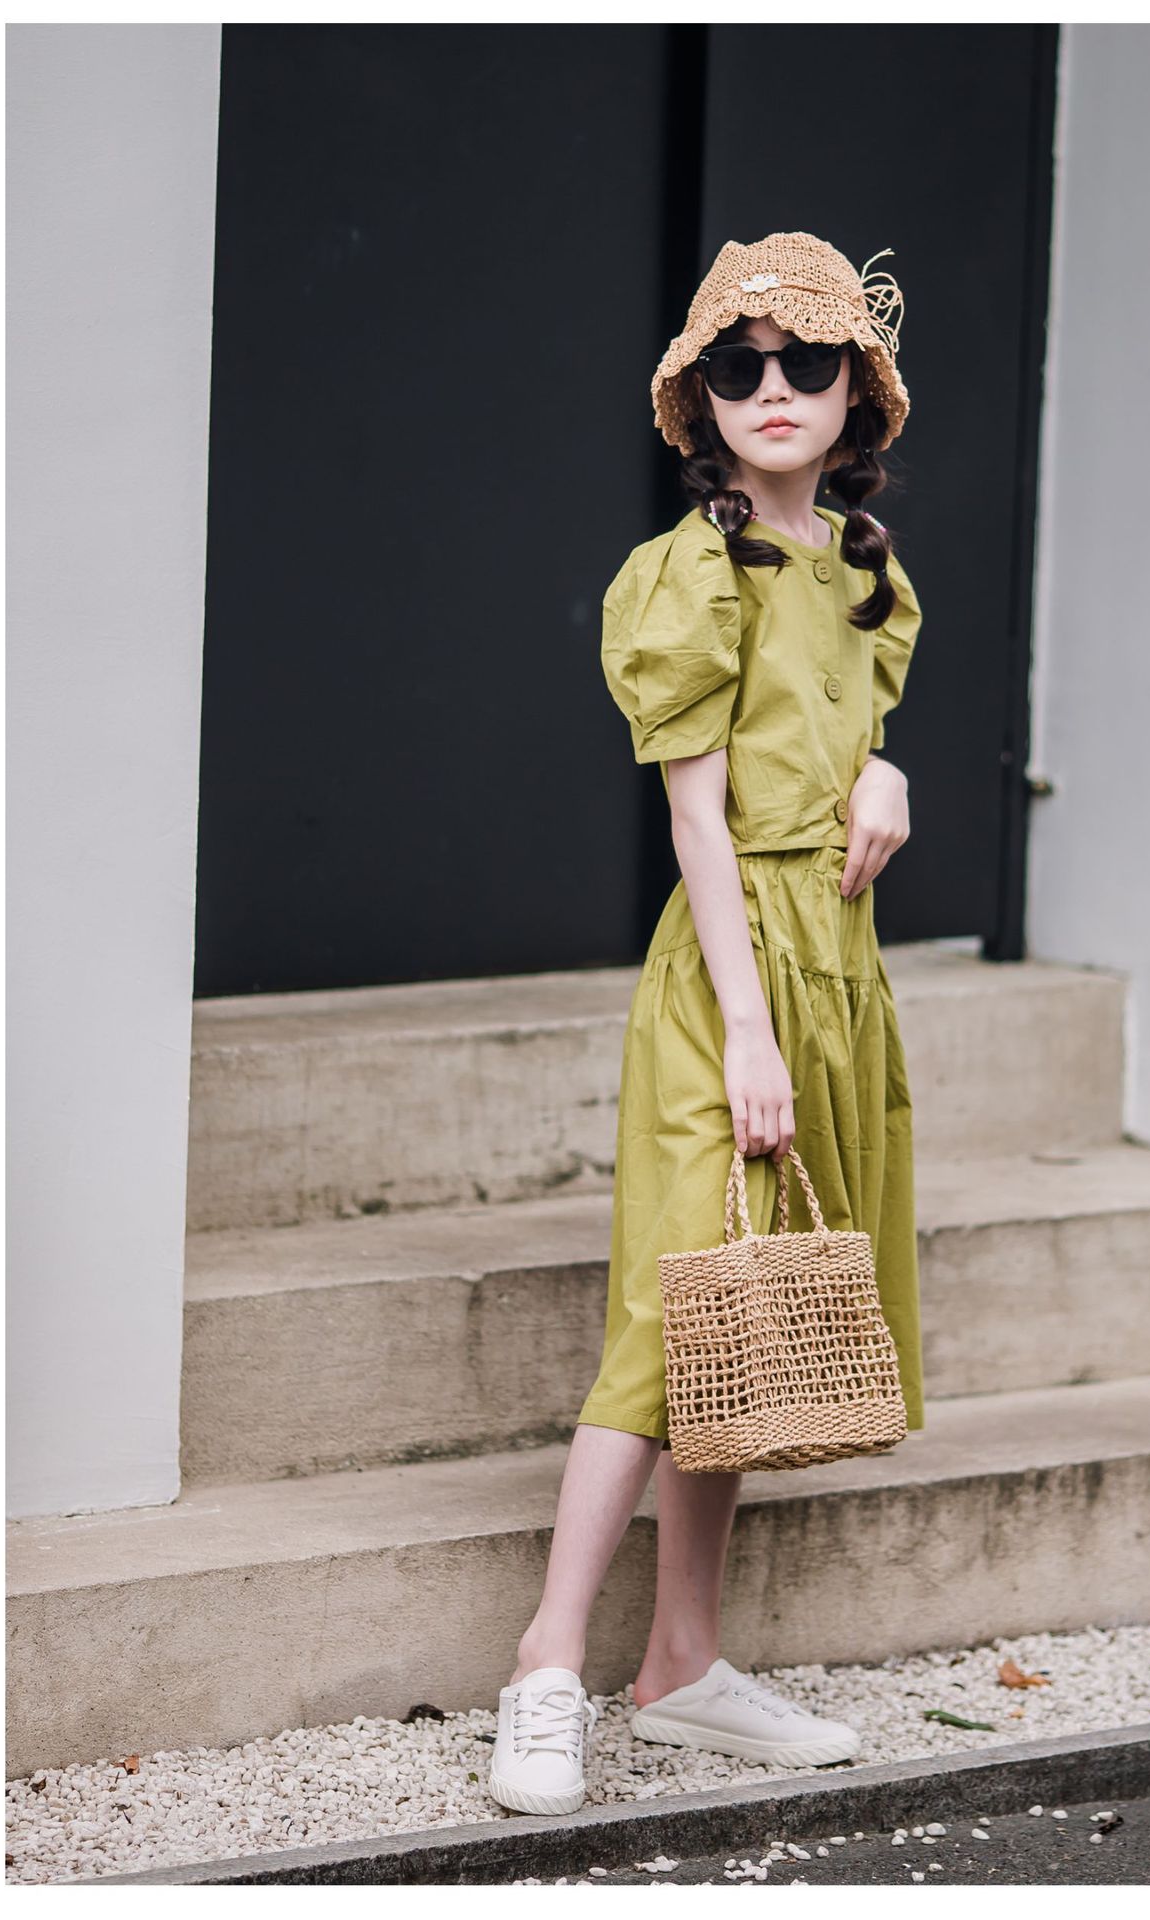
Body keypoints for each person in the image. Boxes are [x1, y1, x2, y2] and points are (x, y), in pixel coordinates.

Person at [488, 231, 925, 1817]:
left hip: (836, 971)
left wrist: (888, 774)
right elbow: (697, 822)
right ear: (700, 404)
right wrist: (745, 1031)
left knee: (747, 1304)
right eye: (738, 367)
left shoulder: (865, 574)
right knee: (672, 1309)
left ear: (856, 389)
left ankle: (679, 1663)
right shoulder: (691, 574)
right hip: (731, 974)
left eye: (806, 361)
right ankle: (547, 1663)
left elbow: (843, 742)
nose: (772, 389)